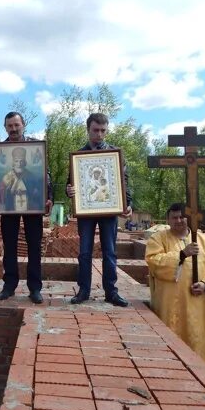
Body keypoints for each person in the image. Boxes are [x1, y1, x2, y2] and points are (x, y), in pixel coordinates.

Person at [145, 203, 205, 371]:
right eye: (174, 217)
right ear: (168, 219)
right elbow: (154, 262)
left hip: (199, 307)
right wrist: (182, 254)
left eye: (182, 217)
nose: (179, 220)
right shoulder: (158, 239)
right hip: (169, 305)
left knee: (199, 344)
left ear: (189, 218)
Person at [0, 112, 53, 304]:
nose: (13, 129)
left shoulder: (35, 148)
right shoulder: (0, 151)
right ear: (5, 127)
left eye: (16, 125)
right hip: (9, 207)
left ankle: (35, 288)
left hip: (33, 206)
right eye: (10, 126)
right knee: (10, 245)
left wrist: (49, 199)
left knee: (34, 246)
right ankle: (9, 285)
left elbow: (46, 177)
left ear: (23, 125)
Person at [66, 113, 132, 307]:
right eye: (96, 130)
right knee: (85, 252)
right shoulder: (79, 156)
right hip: (86, 212)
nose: (100, 134)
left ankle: (111, 292)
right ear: (88, 130)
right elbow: (71, 184)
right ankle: (84, 290)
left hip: (109, 211)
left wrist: (128, 203)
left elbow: (124, 182)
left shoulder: (114, 155)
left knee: (110, 251)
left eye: (103, 130)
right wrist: (69, 190)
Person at [0, 146, 45, 212]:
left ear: (25, 162)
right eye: (16, 161)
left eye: (21, 161)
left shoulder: (31, 175)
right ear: (13, 162)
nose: (19, 164)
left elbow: (38, 192)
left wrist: (33, 191)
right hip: (11, 208)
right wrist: (8, 190)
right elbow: (1, 193)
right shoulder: (7, 176)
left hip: (30, 209)